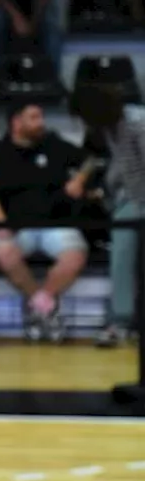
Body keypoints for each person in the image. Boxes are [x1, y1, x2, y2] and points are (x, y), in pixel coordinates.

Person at [0, 102, 91, 342]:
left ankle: (38, 306)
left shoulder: (55, 144)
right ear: (16, 122)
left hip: (57, 223)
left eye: (41, 116)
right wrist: (0, 222)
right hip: (16, 226)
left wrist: (80, 179)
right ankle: (46, 307)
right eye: (33, 117)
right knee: (4, 253)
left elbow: (91, 160)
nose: (41, 122)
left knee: (74, 256)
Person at [72, 85, 145, 348]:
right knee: (121, 254)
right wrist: (105, 190)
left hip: (141, 202)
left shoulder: (138, 123)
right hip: (133, 201)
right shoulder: (112, 129)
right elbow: (121, 166)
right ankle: (121, 321)